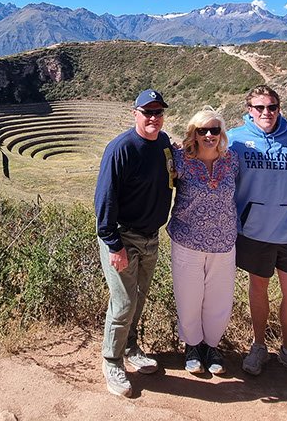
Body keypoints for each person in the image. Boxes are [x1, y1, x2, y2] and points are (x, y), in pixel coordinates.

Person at [227, 85, 287, 387]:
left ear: (279, 108)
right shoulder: (235, 139)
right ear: (249, 110)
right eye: (259, 107)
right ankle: (258, 346)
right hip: (254, 231)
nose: (266, 112)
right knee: (258, 289)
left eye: (272, 107)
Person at [94, 88, 178, 398]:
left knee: (139, 298)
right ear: (135, 114)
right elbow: (104, 199)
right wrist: (113, 245)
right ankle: (112, 361)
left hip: (151, 237)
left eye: (158, 112)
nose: (154, 117)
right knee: (124, 303)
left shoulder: (164, 143)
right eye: (147, 112)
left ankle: (129, 347)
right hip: (123, 237)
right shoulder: (121, 149)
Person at [167, 106, 239, 375]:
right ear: (193, 134)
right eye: (202, 130)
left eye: (214, 130)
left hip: (224, 241)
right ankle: (192, 346)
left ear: (221, 133)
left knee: (219, 299)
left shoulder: (232, 160)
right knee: (189, 297)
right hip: (187, 240)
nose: (209, 135)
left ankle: (212, 346)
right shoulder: (180, 159)